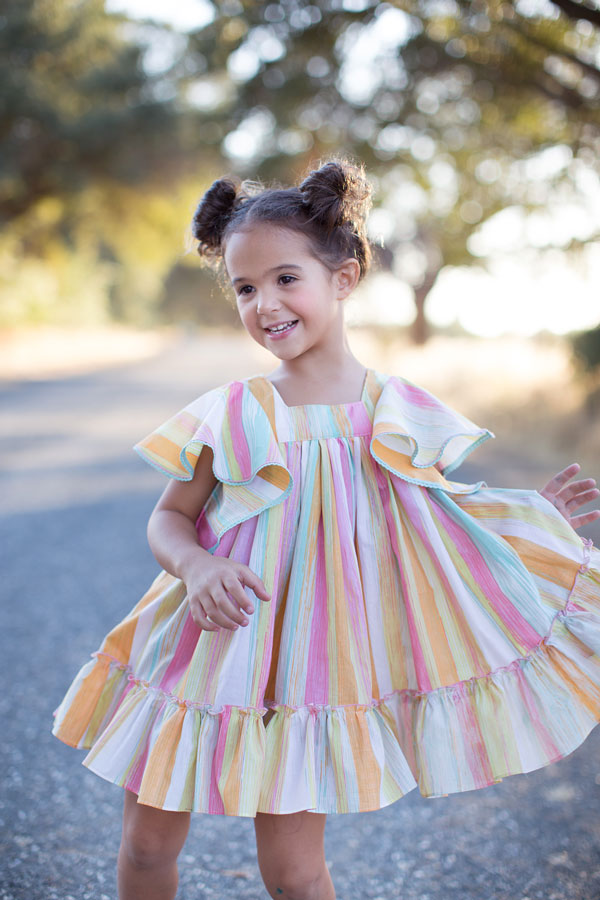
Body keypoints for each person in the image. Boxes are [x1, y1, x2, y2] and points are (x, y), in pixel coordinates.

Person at [52, 157, 600, 900]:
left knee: (297, 872)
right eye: (245, 288)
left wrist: (538, 528)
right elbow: (171, 519)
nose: (264, 304)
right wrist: (197, 568)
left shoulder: (393, 412)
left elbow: (441, 518)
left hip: (310, 673)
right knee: (148, 846)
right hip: (200, 653)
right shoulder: (240, 409)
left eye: (285, 279)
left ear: (342, 278)